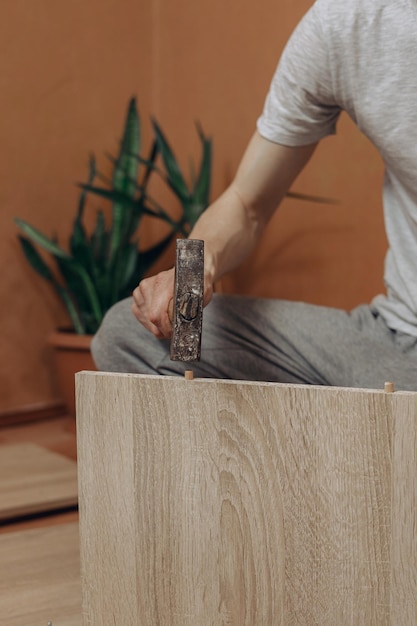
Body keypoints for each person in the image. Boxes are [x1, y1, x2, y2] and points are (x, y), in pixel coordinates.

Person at [92, 0, 417, 390]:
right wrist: (192, 273)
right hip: (399, 340)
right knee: (130, 335)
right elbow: (247, 203)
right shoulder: (346, 22)